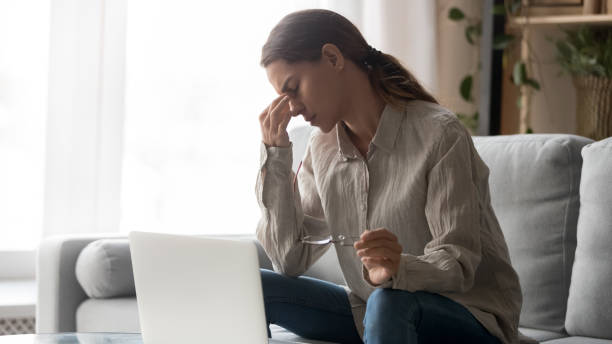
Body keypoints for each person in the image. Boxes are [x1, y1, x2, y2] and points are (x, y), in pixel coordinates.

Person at [255, 8, 524, 344]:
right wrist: (275, 158)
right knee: (254, 287)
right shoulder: (321, 148)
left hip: (468, 315)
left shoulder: (439, 134)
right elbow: (289, 259)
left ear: (332, 57)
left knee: (387, 300)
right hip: (373, 310)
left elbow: (459, 261)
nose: (291, 107)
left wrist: (398, 270)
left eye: (293, 88)